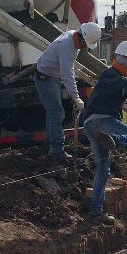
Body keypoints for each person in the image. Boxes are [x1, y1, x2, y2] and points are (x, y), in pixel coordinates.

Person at [80, 41, 127, 224]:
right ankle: (115, 141)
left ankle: (96, 212)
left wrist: (126, 85)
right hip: (101, 121)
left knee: (103, 169)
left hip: (91, 125)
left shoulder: (116, 76)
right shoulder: (112, 74)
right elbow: (103, 87)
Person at [34, 21, 102, 163]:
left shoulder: (72, 37)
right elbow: (67, 73)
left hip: (52, 75)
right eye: (85, 44)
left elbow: (68, 68)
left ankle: (51, 143)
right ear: (82, 37)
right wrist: (76, 97)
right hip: (46, 77)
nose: (84, 48)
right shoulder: (67, 45)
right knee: (57, 112)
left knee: (53, 111)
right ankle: (57, 150)